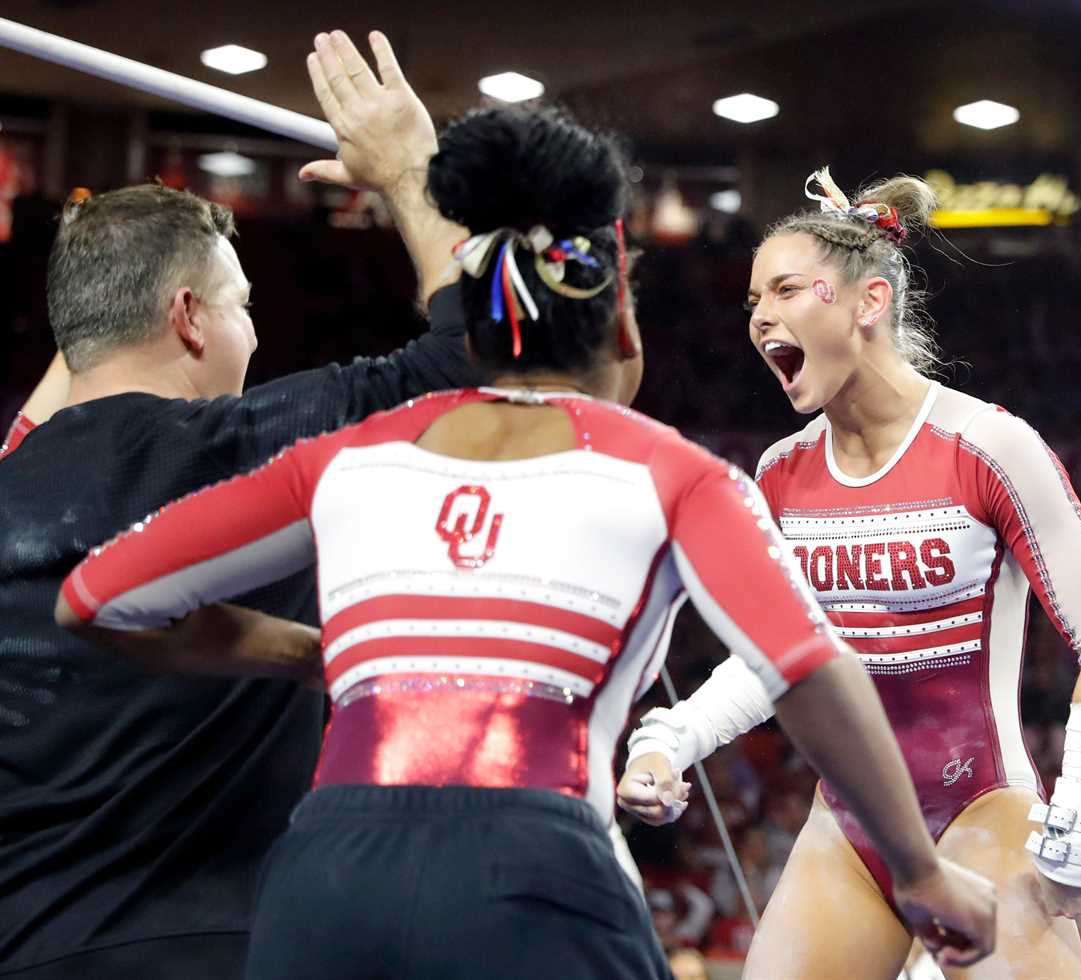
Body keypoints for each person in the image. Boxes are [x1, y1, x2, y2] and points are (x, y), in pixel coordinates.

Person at [55, 108, 996, 980]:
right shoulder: (672, 474)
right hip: (539, 875)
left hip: (323, 887)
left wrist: (310, 658)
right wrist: (919, 872)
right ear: (619, 316)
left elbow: (95, 599)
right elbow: (808, 666)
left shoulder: (345, 457)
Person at [0, 32, 476, 980]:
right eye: (242, 304)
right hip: (204, 949)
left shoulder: (12, 479)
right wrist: (410, 172)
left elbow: (77, 353)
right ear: (187, 317)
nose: (253, 331)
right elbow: (482, 360)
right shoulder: (229, 452)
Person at [620, 168, 1081, 979]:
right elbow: (778, 656)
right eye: (753, 300)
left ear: (869, 302)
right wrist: (673, 738)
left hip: (987, 807)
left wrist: (1079, 817)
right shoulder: (783, 472)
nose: (761, 317)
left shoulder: (990, 447)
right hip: (851, 821)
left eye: (788, 290)